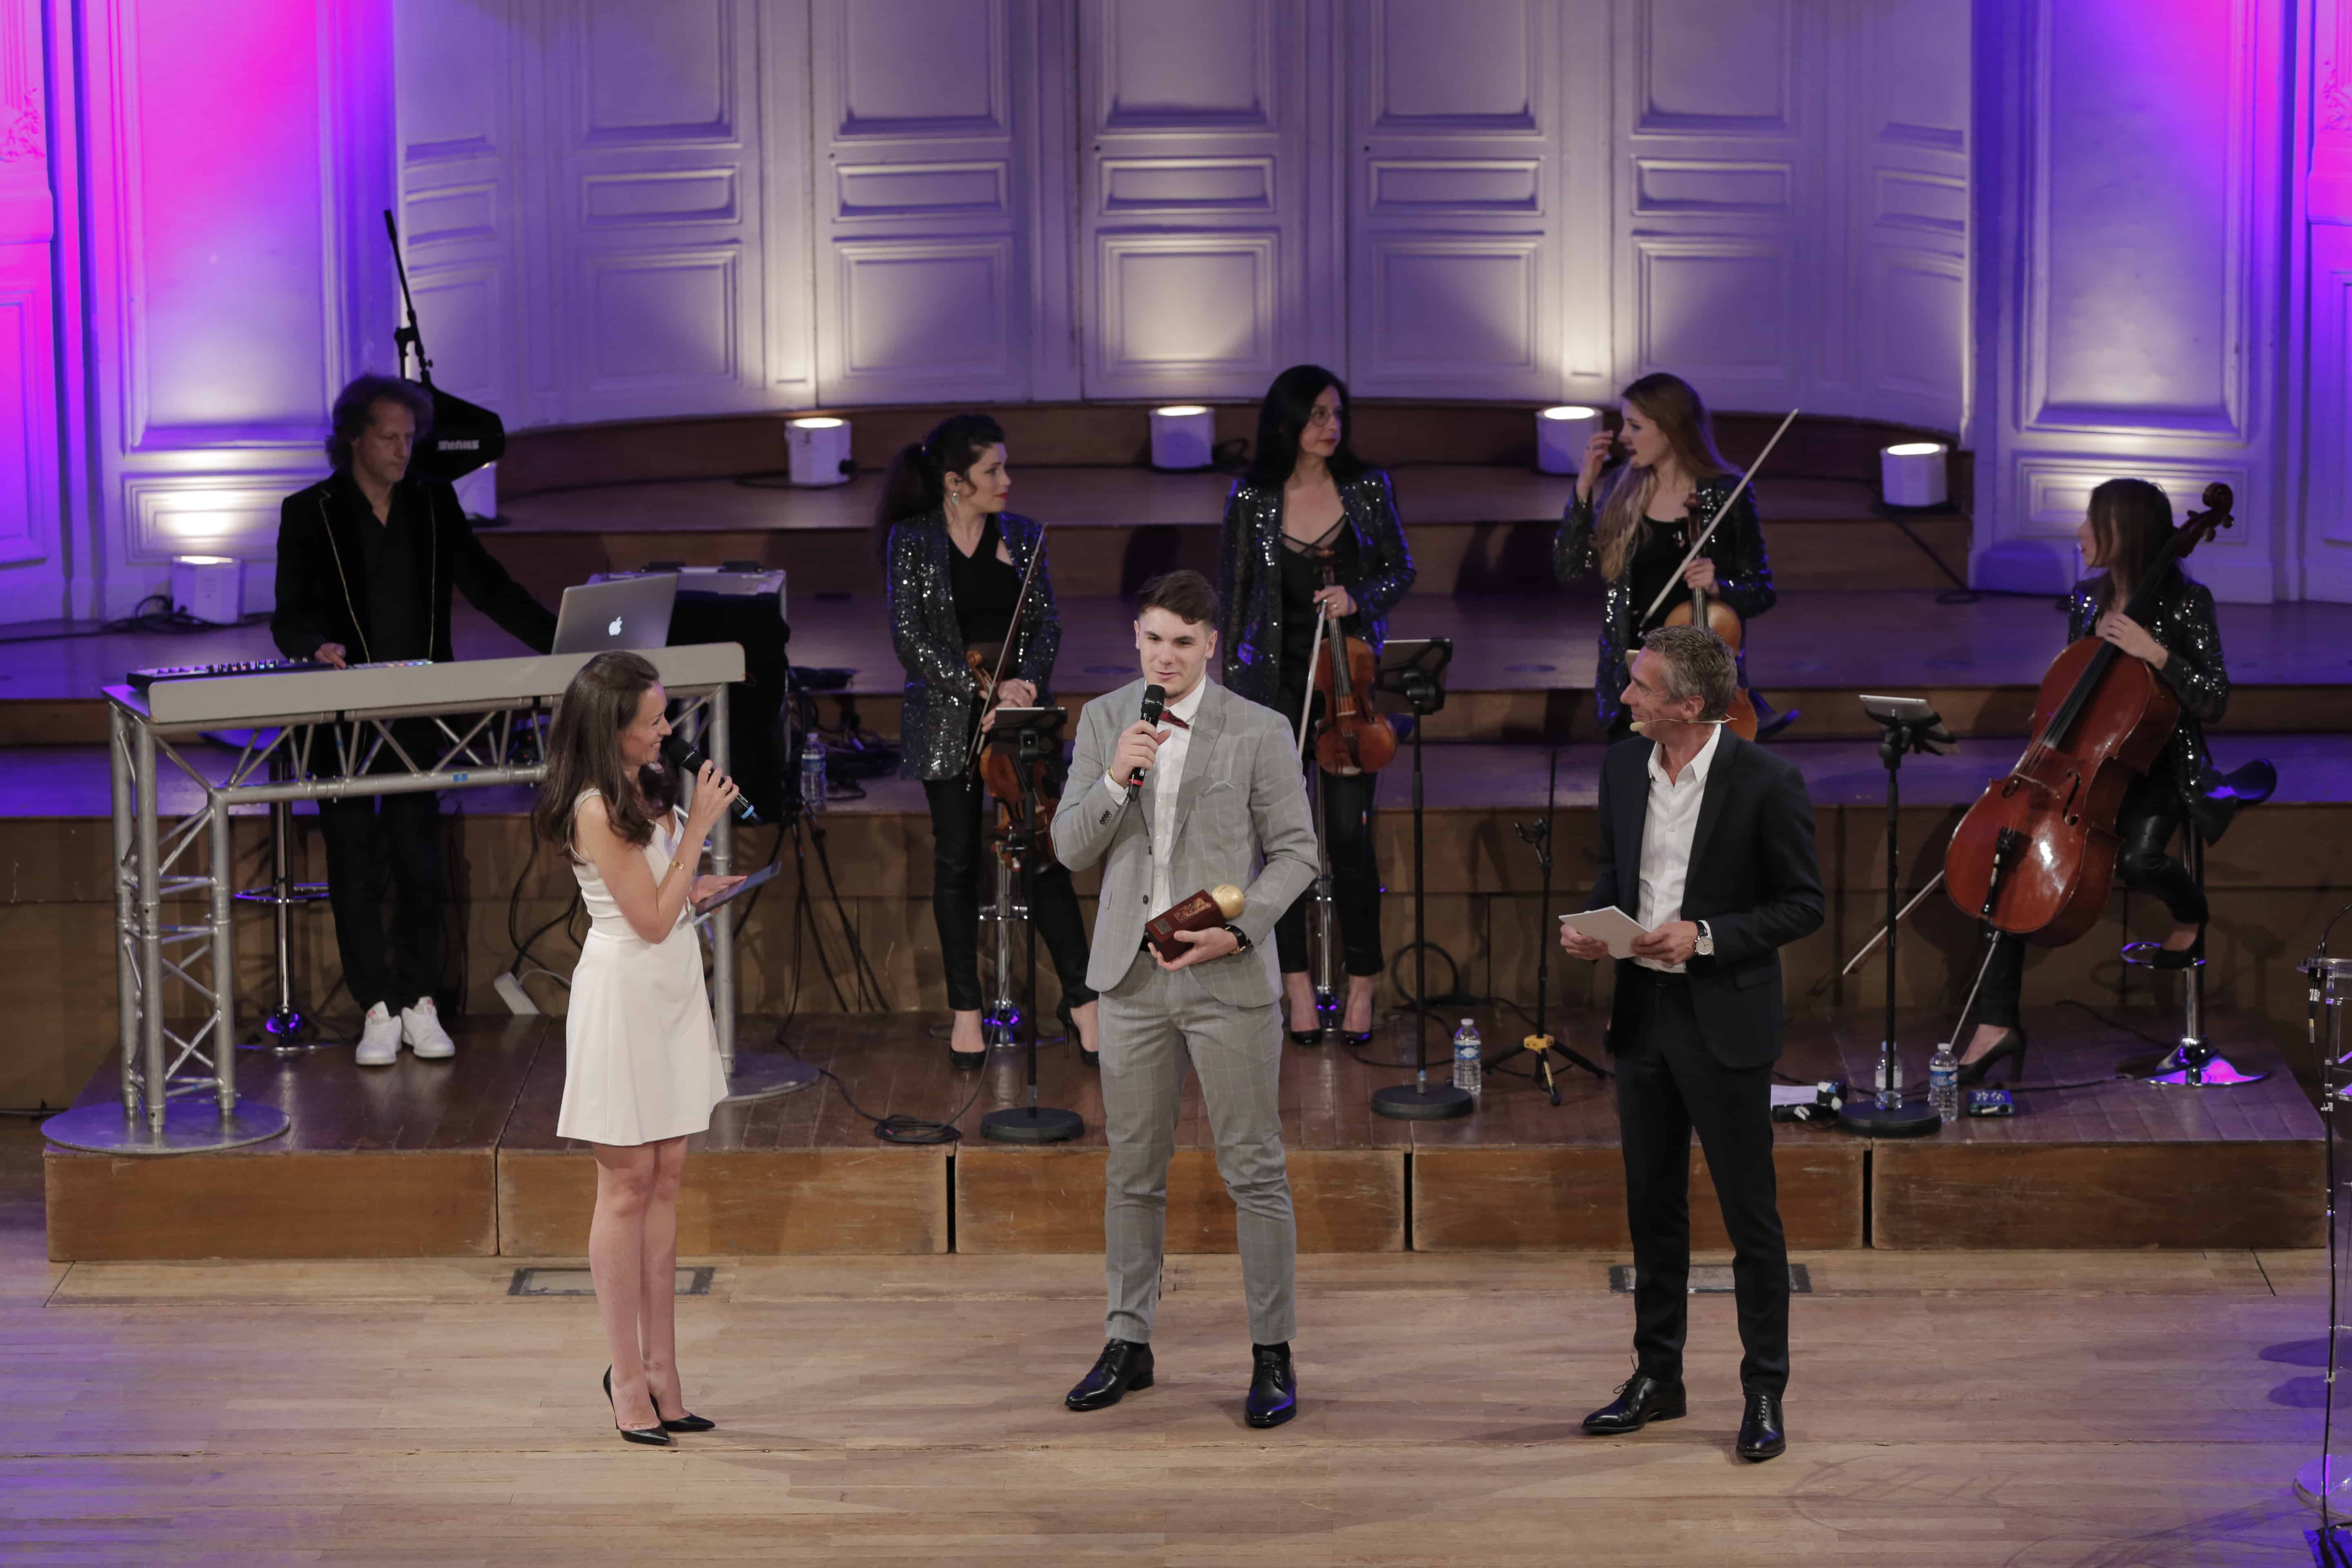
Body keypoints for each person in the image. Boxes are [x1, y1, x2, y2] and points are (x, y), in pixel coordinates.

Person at [1049, 569, 1319, 1429]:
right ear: (1137, 637)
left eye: (1183, 643)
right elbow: (1069, 848)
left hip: (1225, 979)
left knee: (1254, 1170)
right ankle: (1128, 1342)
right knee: (1133, 1171)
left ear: (1210, 646)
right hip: (1131, 980)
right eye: (1154, 640)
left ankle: (1272, 1353)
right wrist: (1114, 780)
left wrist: (1239, 933)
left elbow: (1297, 855)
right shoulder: (1105, 721)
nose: (1165, 657)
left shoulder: (1258, 729)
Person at [1557, 624, 1824, 1463]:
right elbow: (1617, 877)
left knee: (1751, 1217)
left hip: (1725, 1020)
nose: (1625, 697)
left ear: (1690, 705)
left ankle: (1763, 1391)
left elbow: (1802, 904)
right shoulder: (1620, 768)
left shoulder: (1767, 781)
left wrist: (1705, 936)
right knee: (1653, 1208)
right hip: (1643, 1016)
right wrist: (1595, 931)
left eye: (1641, 687)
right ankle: (1657, 1379)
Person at [272, 373, 557, 1066]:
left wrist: (563, 642)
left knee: (418, 859)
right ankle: (375, 1007)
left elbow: (489, 587)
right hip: (341, 716)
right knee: (353, 862)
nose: (405, 450)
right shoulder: (310, 512)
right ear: (354, 439)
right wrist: (315, 645)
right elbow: (289, 615)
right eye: (391, 438)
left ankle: (418, 1000)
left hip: (419, 711)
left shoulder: (432, 502)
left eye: (410, 438)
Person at [530, 651, 743, 1447]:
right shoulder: (591, 806)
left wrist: (701, 887)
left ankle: (665, 1374)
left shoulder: (649, 785)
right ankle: (626, 1379)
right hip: (624, 997)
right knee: (626, 1188)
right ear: (609, 728)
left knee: (667, 1182)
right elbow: (646, 921)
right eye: (651, 721)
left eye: (664, 715)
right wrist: (703, 829)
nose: (665, 731)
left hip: (673, 992)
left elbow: (665, 897)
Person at [1958, 477, 2232, 1085]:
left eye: (2091, 521)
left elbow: (2214, 699)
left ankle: (2192, 914)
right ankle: (1995, 1025)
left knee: (2138, 860)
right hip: (2084, 765)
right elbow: (2072, 687)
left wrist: (2156, 654)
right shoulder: (2087, 599)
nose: (2080, 532)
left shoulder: (2188, 602)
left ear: (2123, 531)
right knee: (2009, 862)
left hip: (2159, 763)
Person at [881, 413, 1100, 1068]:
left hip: (1018, 717)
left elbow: (1047, 623)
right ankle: (966, 1012)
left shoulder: (1023, 536)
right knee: (956, 861)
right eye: (992, 471)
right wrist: (979, 689)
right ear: (955, 482)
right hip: (948, 719)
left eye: (1005, 467)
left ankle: (1083, 1003)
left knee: (1045, 852)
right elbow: (910, 639)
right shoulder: (912, 541)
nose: (1007, 480)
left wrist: (1024, 684)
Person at [1216, 365, 1415, 1047]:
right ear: (1287, 423)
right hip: (1274, 690)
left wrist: (1360, 598)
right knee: (1286, 848)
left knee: (1351, 843)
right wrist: (1231, 697)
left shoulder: (1367, 488)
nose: (1331, 426)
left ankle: (1361, 984)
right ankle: (1296, 987)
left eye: (1336, 413)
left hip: (1347, 688)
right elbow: (1235, 597)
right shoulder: (1252, 497)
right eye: (1317, 415)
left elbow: (1401, 569)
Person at [1552, 372, 1784, 742]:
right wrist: (1583, 487)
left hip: (1699, 686)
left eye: (1635, 426)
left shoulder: (1728, 494)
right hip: (1634, 679)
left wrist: (1719, 586)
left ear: (1670, 430)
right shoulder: (1621, 488)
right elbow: (1569, 567)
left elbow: (1761, 591)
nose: (1623, 437)